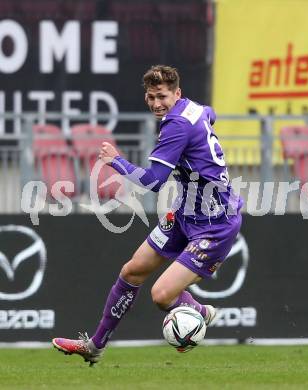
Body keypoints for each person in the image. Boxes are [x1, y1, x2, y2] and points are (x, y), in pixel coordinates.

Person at [52, 65, 243, 365]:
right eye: (151, 97)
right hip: (185, 214)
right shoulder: (195, 109)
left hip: (214, 225)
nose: (156, 103)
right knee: (132, 271)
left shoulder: (176, 125)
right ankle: (95, 345)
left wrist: (116, 162)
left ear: (176, 93)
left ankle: (201, 312)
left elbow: (154, 182)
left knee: (162, 296)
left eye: (162, 96)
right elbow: (211, 113)